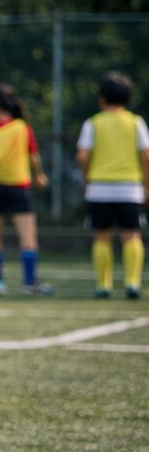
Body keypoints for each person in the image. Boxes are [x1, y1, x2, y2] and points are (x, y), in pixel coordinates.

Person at [0, 84, 51, 295]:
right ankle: (29, 282)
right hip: (19, 187)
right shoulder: (22, 127)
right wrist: (40, 175)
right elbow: (34, 156)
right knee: (28, 236)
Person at [77, 71, 149, 299]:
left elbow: (82, 156)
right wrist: (146, 184)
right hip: (130, 188)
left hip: (99, 188)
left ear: (102, 97)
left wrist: (87, 176)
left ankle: (103, 285)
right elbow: (146, 156)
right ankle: (132, 283)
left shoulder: (93, 123)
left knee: (102, 236)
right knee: (132, 236)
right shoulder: (136, 122)